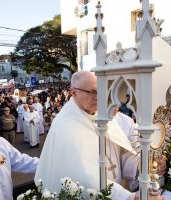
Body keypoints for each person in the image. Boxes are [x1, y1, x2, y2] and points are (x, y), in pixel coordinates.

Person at [35, 71, 161, 200]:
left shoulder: (101, 115)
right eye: (92, 92)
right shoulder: (65, 124)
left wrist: (146, 166)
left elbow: (121, 151)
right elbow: (83, 177)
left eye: (101, 92)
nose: (98, 97)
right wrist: (129, 197)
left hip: (114, 186)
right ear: (73, 92)